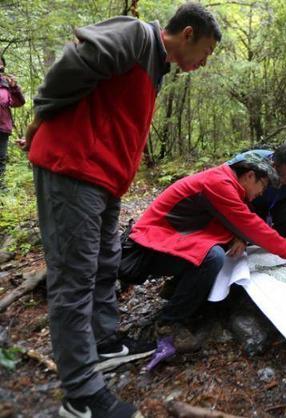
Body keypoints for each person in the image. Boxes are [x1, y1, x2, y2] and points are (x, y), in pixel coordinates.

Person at [21, 3, 222, 417]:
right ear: (187, 34)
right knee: (74, 277)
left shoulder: (157, 68)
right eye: (204, 52)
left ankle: (105, 343)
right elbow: (73, 62)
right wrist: (41, 114)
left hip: (105, 179)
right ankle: (80, 396)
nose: (202, 63)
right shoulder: (135, 36)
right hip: (72, 167)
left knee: (105, 261)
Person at [123, 156, 286, 353]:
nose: (261, 193)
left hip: (170, 238)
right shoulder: (218, 183)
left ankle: (176, 290)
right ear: (250, 176)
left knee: (217, 251)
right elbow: (249, 224)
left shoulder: (226, 182)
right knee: (212, 257)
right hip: (149, 243)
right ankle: (169, 323)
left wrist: (237, 236)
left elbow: (230, 219)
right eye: (263, 186)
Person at [229, 144, 286, 244]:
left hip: (271, 210)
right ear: (273, 164)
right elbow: (225, 192)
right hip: (243, 205)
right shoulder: (247, 162)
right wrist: (238, 233)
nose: (284, 180)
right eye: (281, 175)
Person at [0, 56, 25, 190]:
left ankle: (1, 187)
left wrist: (14, 88)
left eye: (0, 63)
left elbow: (18, 103)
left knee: (1, 158)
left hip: (3, 127)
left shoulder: (6, 84)